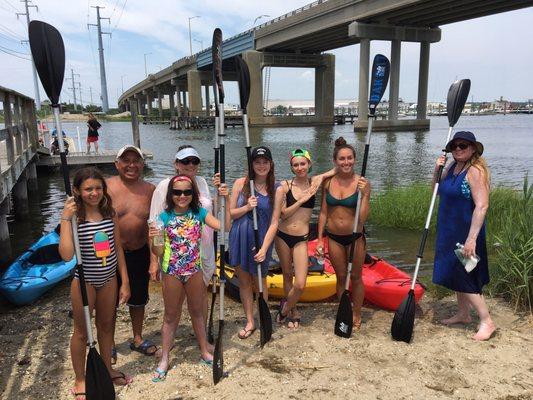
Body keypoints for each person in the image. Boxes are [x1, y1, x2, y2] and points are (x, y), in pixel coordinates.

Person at [58, 167, 133, 399]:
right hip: (85, 281)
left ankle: (107, 369)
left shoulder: (110, 213)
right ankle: (81, 379)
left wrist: (125, 281)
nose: (94, 193)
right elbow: (66, 255)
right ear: (77, 191)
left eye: (98, 188)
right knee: (81, 332)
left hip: (109, 277)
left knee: (107, 325)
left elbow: (117, 248)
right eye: (88, 189)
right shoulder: (75, 218)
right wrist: (65, 217)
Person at [149, 174, 228, 382]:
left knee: (197, 313)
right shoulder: (162, 218)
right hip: (172, 272)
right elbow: (157, 251)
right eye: (177, 192)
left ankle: (204, 350)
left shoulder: (200, 213)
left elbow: (222, 226)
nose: (182, 196)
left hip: (194, 270)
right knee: (170, 315)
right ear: (170, 194)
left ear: (193, 194)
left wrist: (224, 200)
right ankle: (164, 358)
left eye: (187, 192)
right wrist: (154, 237)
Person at [433, 131, 495, 341]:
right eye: (455, 146)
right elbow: (437, 190)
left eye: (463, 146)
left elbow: (482, 206)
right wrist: (437, 169)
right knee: (454, 271)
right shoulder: (451, 166)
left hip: (465, 232)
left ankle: (486, 321)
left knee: (464, 274)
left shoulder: (475, 171)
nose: (458, 150)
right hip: (448, 228)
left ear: (473, 148)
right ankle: (463, 314)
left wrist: (471, 239)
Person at [149, 145, 217, 326]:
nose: (190, 164)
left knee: (201, 296)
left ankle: (201, 337)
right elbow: (154, 225)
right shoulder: (164, 186)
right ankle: (170, 338)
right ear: (176, 163)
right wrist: (154, 261)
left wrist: (223, 195)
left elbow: (210, 215)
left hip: (204, 250)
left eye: (194, 161)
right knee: (174, 302)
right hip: (175, 255)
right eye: (185, 161)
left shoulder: (202, 182)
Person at [274, 149, 335, 329]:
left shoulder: (315, 182)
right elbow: (283, 214)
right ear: (292, 167)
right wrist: (301, 200)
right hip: (283, 236)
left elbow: (335, 169)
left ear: (309, 164)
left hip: (301, 238)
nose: (300, 167)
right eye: (296, 165)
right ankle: (293, 311)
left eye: (303, 163)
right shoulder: (285, 185)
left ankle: (284, 309)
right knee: (287, 274)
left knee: (300, 283)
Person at [106, 145, 156, 363]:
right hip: (108, 255)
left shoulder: (151, 190)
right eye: (126, 160)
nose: (131, 165)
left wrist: (154, 258)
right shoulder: (106, 187)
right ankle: (108, 343)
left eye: (136, 161)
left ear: (142, 165)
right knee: (109, 301)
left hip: (139, 252)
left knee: (138, 298)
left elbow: (154, 227)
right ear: (117, 164)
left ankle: (137, 338)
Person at [229, 146, 282, 339]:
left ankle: (263, 317)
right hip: (239, 236)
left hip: (262, 240)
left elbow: (275, 221)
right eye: (257, 162)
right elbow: (230, 214)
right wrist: (246, 207)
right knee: (244, 282)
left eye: (265, 162)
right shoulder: (240, 184)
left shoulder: (277, 188)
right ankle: (250, 320)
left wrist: (265, 247)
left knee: (260, 282)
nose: (261, 166)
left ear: (270, 164)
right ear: (252, 164)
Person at [317, 137, 370, 330]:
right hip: (334, 238)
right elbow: (323, 212)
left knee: (355, 276)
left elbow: (362, 218)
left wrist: (364, 194)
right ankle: (343, 309)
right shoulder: (328, 183)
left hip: (355, 237)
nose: (346, 162)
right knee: (340, 277)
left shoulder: (362, 183)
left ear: (355, 160)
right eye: (342, 159)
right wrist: (320, 239)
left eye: (349, 158)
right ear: (335, 162)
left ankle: (356, 312)